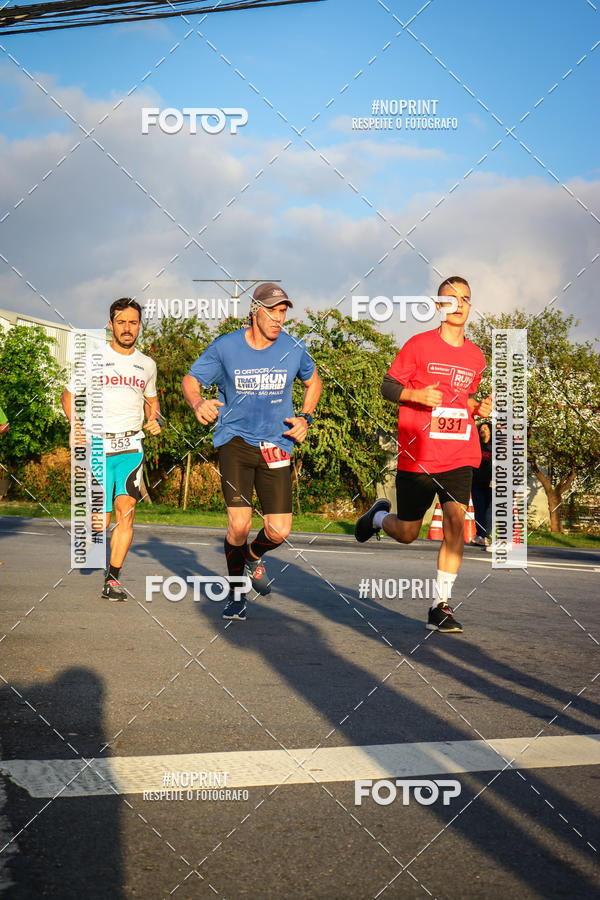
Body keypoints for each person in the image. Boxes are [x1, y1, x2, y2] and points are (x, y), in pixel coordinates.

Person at [354, 276, 492, 633]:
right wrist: (416, 396)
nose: (458, 304)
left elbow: (463, 400)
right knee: (408, 532)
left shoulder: (477, 356)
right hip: (419, 454)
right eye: (451, 298)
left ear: (469, 307)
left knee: (455, 525)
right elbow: (387, 386)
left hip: (460, 453)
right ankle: (378, 519)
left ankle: (440, 605)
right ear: (438, 307)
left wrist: (480, 408)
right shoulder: (418, 346)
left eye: (465, 298)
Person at [182, 282, 322, 622]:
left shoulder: (293, 347)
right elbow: (190, 380)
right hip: (235, 442)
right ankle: (235, 594)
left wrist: (305, 416)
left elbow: (313, 381)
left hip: (277, 445)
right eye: (272, 311)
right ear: (255, 311)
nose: (278, 318)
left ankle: (253, 557)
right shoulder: (226, 347)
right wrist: (198, 401)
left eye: (283, 311)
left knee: (279, 531)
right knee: (240, 524)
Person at [61, 298, 161, 600]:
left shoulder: (147, 364)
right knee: (99, 522)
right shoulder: (93, 359)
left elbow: (151, 401)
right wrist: (75, 425)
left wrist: (153, 419)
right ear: (111, 325)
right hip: (98, 447)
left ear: (139, 325)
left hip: (131, 447)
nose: (127, 328)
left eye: (133, 322)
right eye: (121, 322)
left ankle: (112, 579)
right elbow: (69, 395)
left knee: (126, 512)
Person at [471, 422, 492, 547]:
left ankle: (485, 536)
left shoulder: (495, 446)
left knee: (488, 511)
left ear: (490, 431)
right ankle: (480, 536)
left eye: (485, 428)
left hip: (491, 484)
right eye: (480, 429)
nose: (482, 430)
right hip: (476, 483)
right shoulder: (475, 445)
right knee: (478, 510)